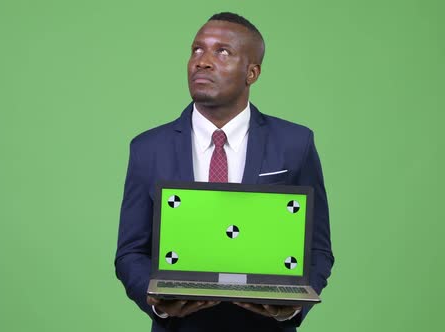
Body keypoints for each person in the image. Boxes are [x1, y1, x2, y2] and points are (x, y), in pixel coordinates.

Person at [115, 12, 334, 332]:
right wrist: (158, 304)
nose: (202, 61)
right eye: (196, 49)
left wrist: (290, 309)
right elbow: (131, 252)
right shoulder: (148, 148)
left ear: (252, 72)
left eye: (222, 51)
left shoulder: (295, 143)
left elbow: (317, 248)